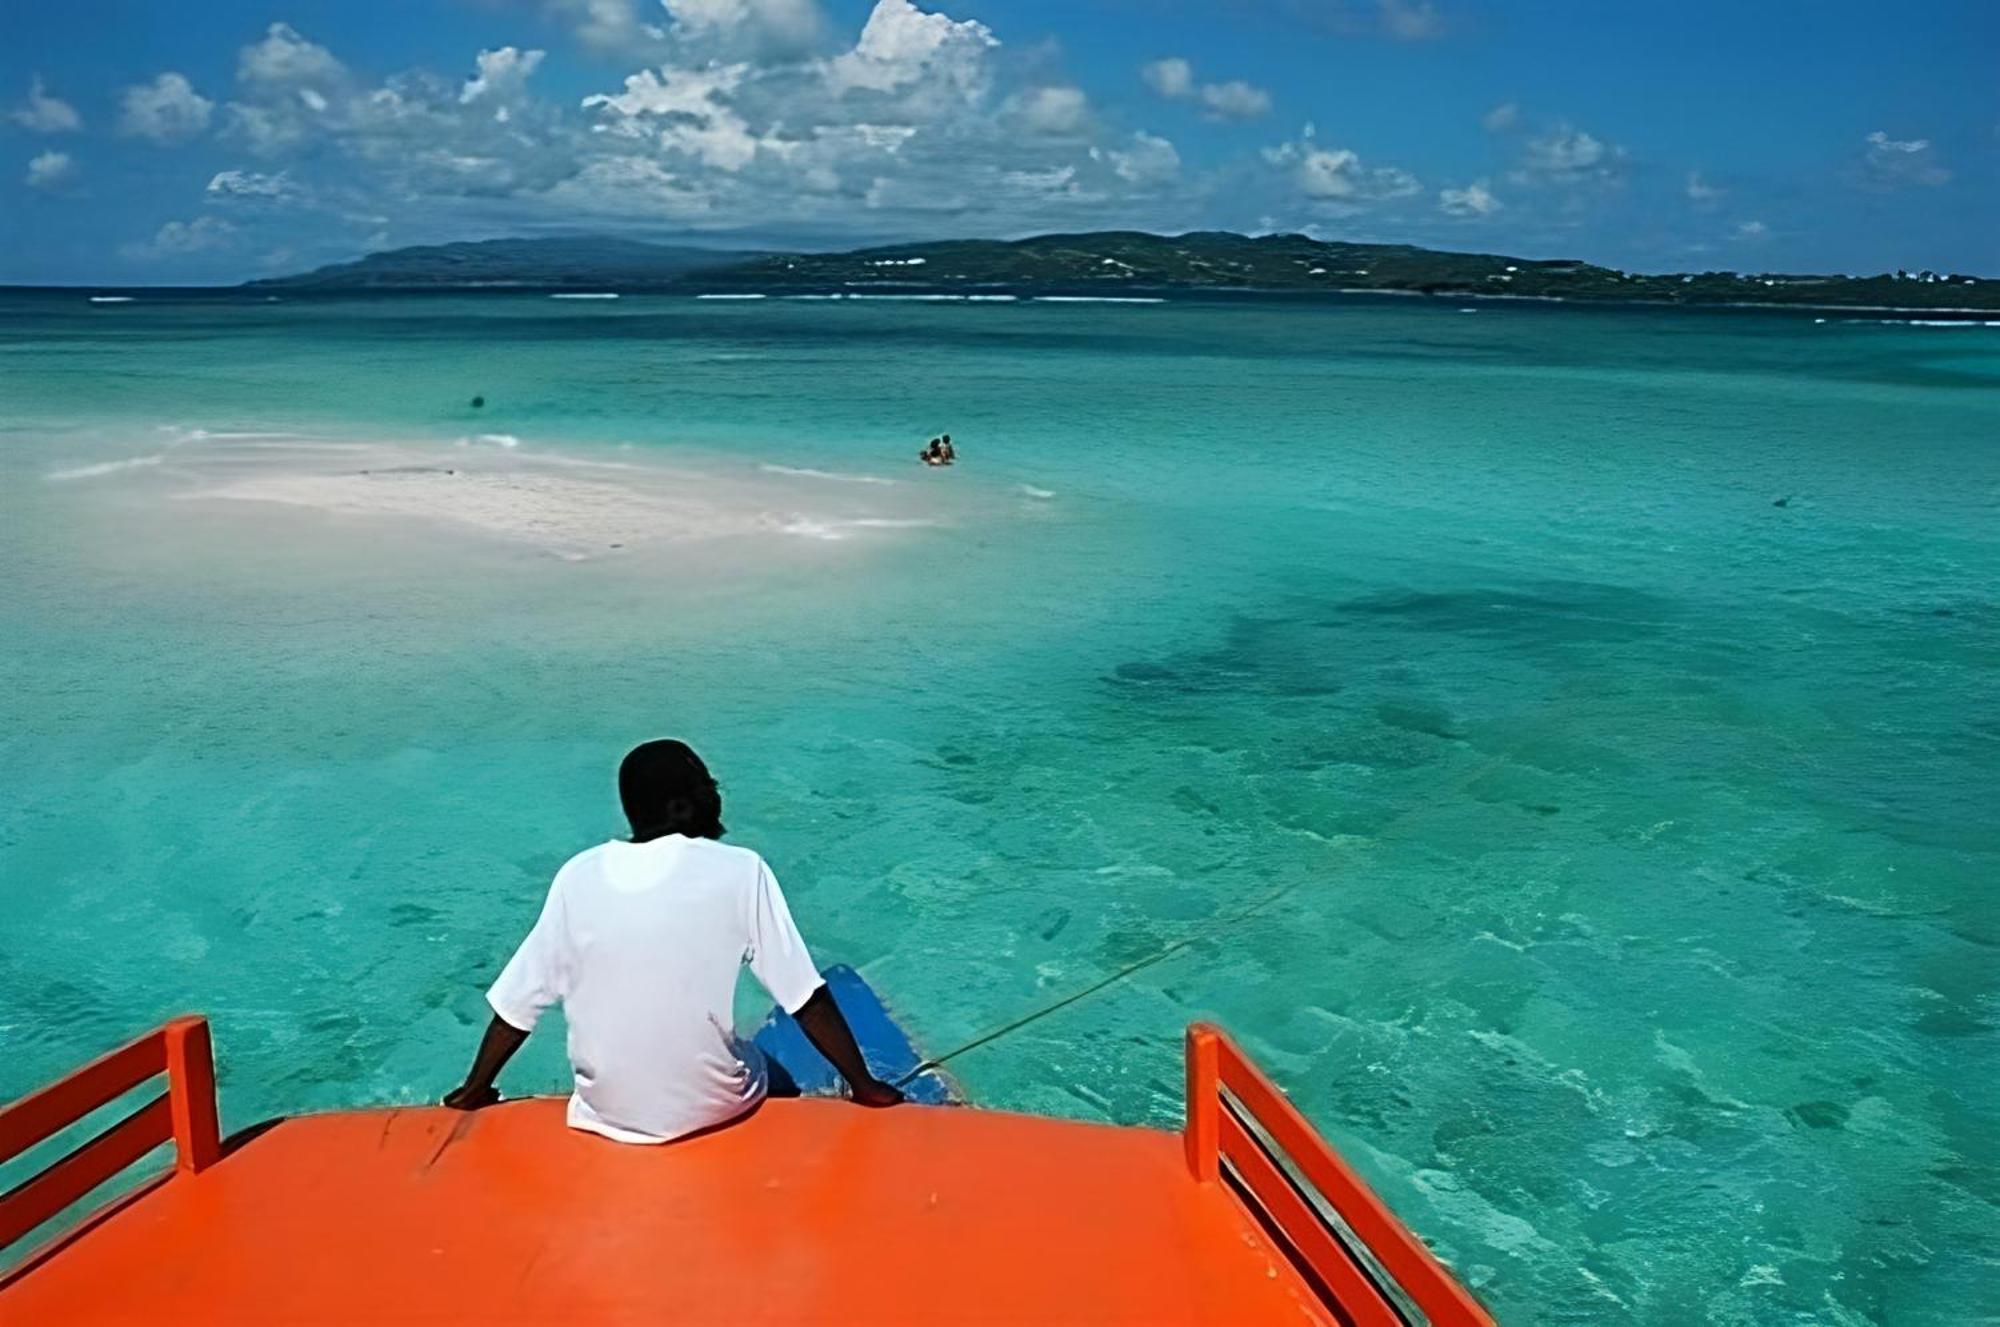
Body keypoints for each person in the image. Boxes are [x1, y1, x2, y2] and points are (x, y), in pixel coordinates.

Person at [443, 739, 903, 1140]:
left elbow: (517, 1009)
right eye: (708, 789)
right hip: (717, 1108)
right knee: (761, 1063)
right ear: (682, 807)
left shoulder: (576, 876)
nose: (716, 798)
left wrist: (473, 1091)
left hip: (604, 1114)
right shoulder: (742, 869)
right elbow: (806, 998)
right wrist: (866, 1088)